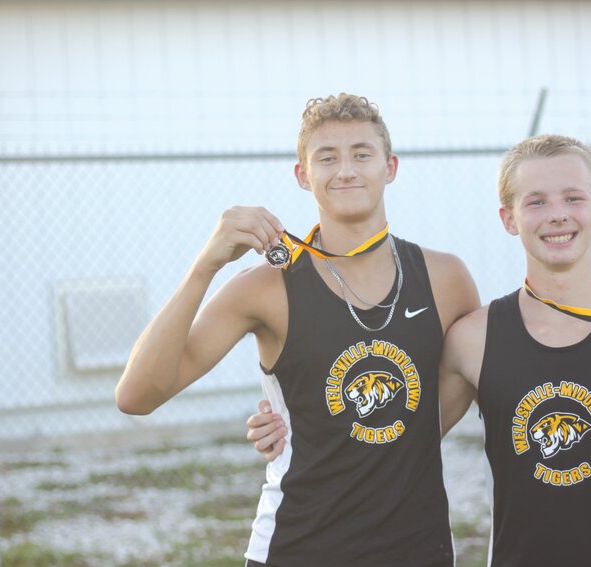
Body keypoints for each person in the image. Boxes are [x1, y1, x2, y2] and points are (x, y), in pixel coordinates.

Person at [249, 134, 591, 566]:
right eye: (536, 202)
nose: (557, 216)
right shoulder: (473, 338)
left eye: (573, 198)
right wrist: (291, 429)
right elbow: (392, 439)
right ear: (509, 218)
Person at [115, 93, 479, 567]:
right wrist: (205, 266)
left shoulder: (446, 278)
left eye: (361, 154)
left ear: (390, 167)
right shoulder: (265, 289)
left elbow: (465, 387)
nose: (345, 170)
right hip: (297, 546)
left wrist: (367, 434)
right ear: (303, 176)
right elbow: (136, 395)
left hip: (418, 548)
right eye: (327, 158)